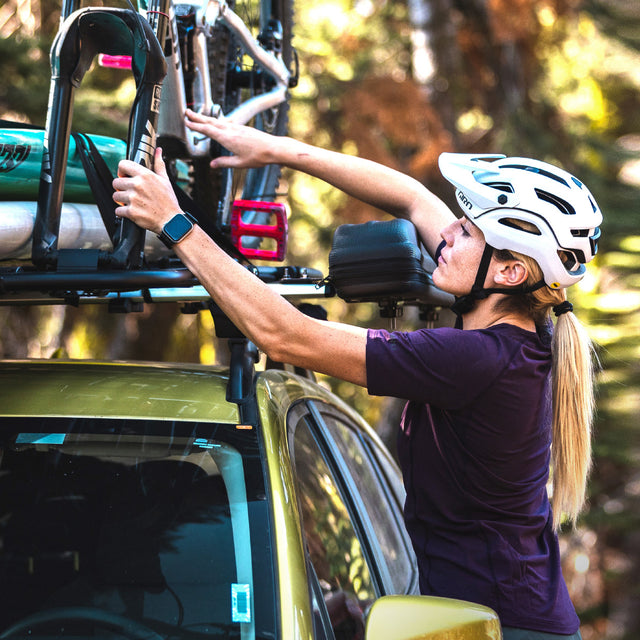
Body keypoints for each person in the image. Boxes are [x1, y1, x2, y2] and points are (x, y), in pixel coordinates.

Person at [112, 109, 602, 639]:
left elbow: (286, 335)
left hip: (503, 628)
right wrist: (274, 149)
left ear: (509, 272)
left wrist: (175, 223)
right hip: (490, 619)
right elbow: (413, 198)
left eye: (466, 230)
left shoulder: (477, 360)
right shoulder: (516, 331)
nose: (447, 233)